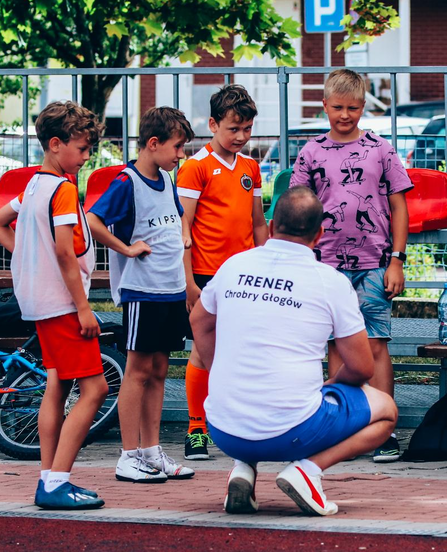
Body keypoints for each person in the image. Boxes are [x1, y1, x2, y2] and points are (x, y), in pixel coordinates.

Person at [190, 186, 398, 516]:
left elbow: (199, 321)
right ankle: (307, 471)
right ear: (320, 234)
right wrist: (332, 384)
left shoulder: (234, 265)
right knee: (385, 409)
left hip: (223, 429)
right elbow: (362, 367)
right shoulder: (330, 281)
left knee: (253, 396)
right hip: (292, 432)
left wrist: (220, 373)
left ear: (272, 227)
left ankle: (243, 467)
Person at [0, 101, 108, 510]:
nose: (86, 157)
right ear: (56, 144)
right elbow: (64, 253)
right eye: (82, 148)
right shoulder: (63, 189)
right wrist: (83, 308)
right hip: (62, 304)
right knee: (96, 389)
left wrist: (26, 256)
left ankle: (49, 477)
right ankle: (56, 482)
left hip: (40, 302)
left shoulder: (35, 186)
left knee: (58, 385)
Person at [289, 68, 413, 464]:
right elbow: (298, 208)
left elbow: (399, 206)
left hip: (375, 263)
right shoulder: (311, 152)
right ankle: (343, 427)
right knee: (336, 346)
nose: (345, 115)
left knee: (375, 344)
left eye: (354, 108)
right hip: (324, 266)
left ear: (363, 107)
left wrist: (397, 260)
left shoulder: (381, 149)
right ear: (325, 105)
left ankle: (383, 428)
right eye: (338, 107)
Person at [87, 107, 198, 484]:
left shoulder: (166, 178)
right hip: (143, 291)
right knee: (137, 371)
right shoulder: (126, 181)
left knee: (159, 369)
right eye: (177, 147)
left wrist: (184, 236)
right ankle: (128, 455)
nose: (181, 154)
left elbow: (179, 216)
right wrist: (126, 248)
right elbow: (93, 220)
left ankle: (151, 452)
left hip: (171, 289)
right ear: (153, 143)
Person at [177, 84, 267, 461]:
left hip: (245, 277)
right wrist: (188, 283)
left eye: (247, 129)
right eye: (233, 129)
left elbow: (258, 222)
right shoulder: (195, 167)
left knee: (242, 350)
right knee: (203, 351)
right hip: (206, 275)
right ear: (213, 124)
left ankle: (236, 423)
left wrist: (265, 265)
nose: (241, 137)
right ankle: (196, 428)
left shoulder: (250, 167)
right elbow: (183, 228)